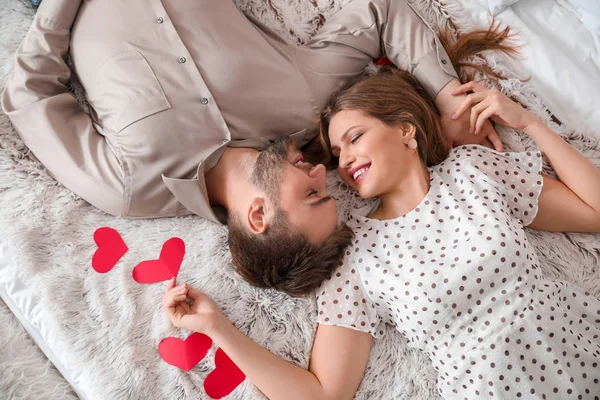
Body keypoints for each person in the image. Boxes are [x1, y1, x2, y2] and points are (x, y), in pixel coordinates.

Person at [161, 51, 600, 400]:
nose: (345, 160)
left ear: (406, 130)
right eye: (337, 153)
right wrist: (217, 328)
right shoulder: (357, 257)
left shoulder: (475, 171)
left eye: (354, 138)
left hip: (582, 347)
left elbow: (595, 212)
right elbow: (324, 394)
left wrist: (530, 123)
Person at [2, 0, 501, 244]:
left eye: (312, 193)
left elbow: (27, 94)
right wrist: (446, 98)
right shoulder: (305, 105)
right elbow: (379, 7)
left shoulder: (129, 188)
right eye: (323, 187)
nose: (321, 170)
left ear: (257, 218)